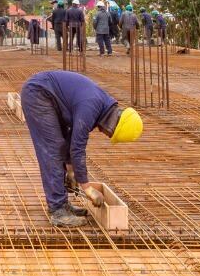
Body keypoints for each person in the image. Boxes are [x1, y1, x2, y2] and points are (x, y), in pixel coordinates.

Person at [20, 70, 143, 227]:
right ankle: (57, 210)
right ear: (113, 125)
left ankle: (62, 204)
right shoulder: (90, 107)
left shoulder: (101, 107)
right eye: (110, 134)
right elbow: (78, 149)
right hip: (38, 93)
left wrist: (71, 171)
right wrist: (87, 188)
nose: (105, 134)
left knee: (61, 145)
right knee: (53, 150)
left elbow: (71, 140)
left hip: (49, 96)